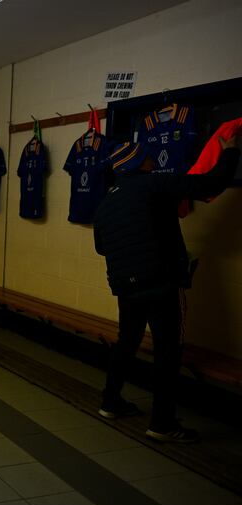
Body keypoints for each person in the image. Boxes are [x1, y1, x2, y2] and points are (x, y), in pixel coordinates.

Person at [93, 133, 240, 444]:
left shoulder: (106, 202)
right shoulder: (154, 183)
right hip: (159, 282)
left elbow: (102, 248)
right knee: (167, 351)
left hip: (124, 285)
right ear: (137, 163)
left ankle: (111, 401)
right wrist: (229, 153)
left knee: (126, 342)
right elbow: (208, 185)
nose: (152, 159)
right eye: (146, 156)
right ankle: (162, 423)